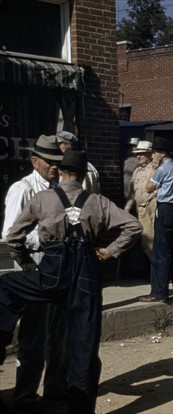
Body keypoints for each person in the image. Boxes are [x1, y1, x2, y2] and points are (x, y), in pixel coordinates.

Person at [0, 149, 141, 414]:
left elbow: (14, 237)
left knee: (7, 286)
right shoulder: (98, 201)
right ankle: (80, 409)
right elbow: (133, 226)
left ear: (61, 171)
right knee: (84, 345)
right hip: (87, 273)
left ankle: (2, 336)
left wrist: (28, 265)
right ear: (85, 174)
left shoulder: (43, 198)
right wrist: (110, 251)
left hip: (51, 273)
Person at [1, 134, 69, 413]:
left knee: (57, 335)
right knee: (33, 337)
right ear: (34, 161)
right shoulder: (23, 188)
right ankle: (25, 397)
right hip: (32, 268)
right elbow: (8, 234)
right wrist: (42, 238)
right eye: (49, 162)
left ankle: (54, 391)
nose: (55, 166)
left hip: (56, 270)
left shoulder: (58, 190)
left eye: (58, 161)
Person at [139, 136, 173, 302]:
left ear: (162, 153)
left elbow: (148, 188)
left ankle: (159, 291)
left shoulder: (162, 169)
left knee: (161, 251)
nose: (153, 156)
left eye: (155, 153)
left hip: (165, 208)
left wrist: (153, 168)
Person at [124, 140, 157, 262]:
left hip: (153, 205)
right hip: (141, 208)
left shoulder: (155, 169)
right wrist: (127, 207)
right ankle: (156, 267)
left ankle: (161, 270)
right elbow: (132, 193)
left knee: (156, 239)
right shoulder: (136, 170)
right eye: (137, 154)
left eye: (142, 154)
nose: (138, 156)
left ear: (150, 154)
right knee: (146, 242)